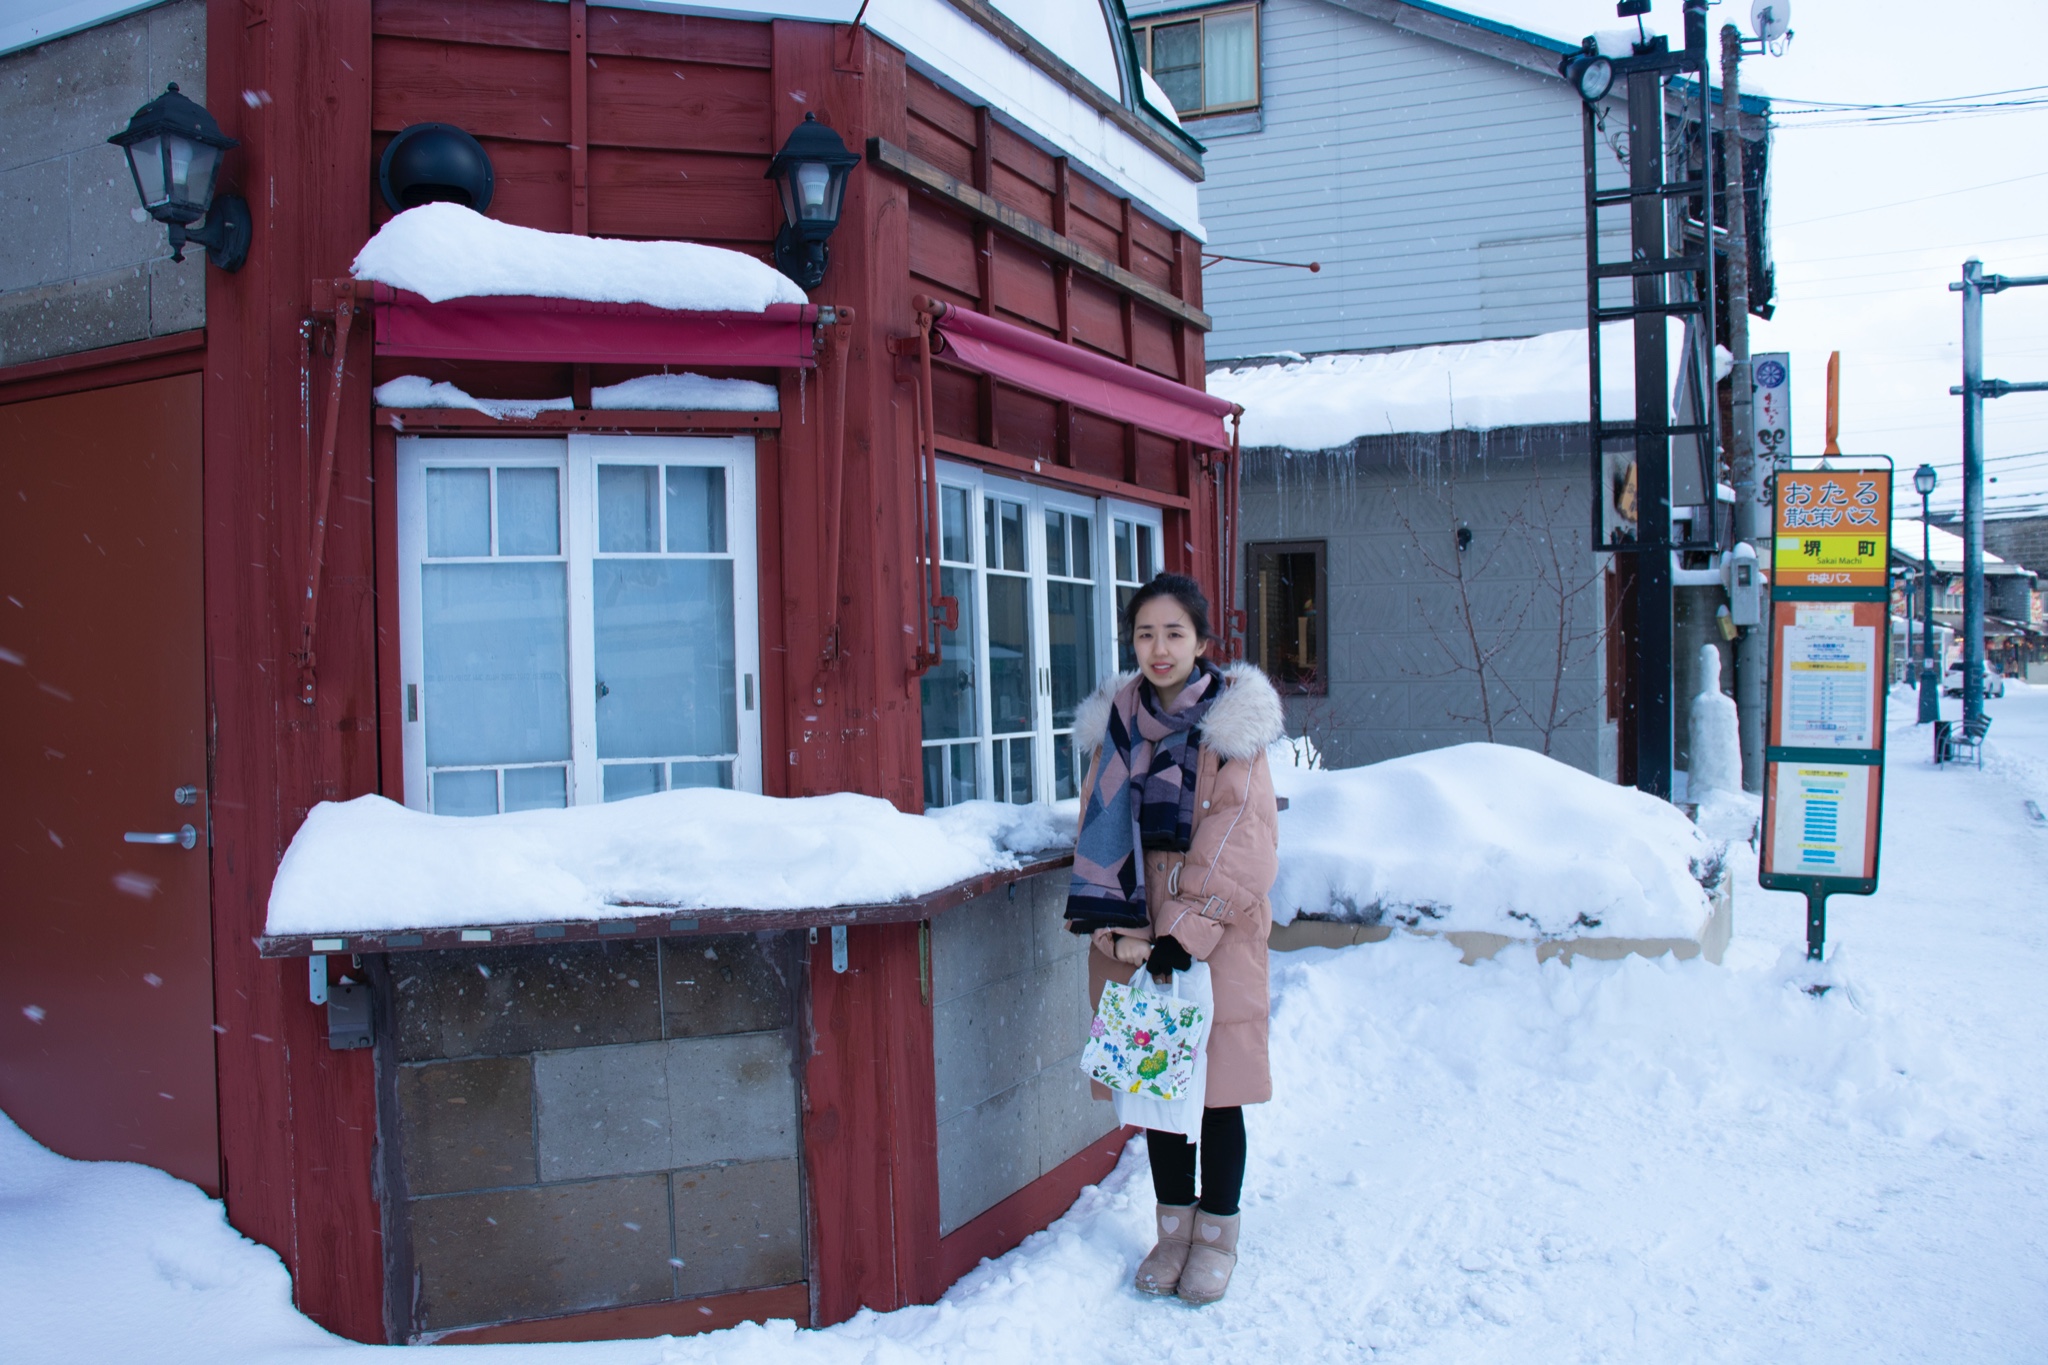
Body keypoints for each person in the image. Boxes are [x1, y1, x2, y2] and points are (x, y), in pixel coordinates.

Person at [1067, 572, 1284, 1305]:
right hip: (1135, 928)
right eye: (1145, 634)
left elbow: (1241, 839)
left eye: (1174, 633)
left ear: (1200, 641)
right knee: (1159, 1087)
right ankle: (1173, 1231)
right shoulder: (1120, 722)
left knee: (1217, 1094)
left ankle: (1217, 1234)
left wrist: (1185, 933)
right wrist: (1123, 926)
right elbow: (1096, 823)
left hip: (1213, 932)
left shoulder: (1233, 726)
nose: (1158, 649)